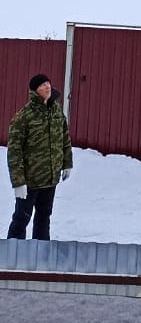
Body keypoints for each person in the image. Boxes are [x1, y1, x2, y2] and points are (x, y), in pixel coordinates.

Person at [7, 73, 73, 241]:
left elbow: (64, 139)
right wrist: (18, 182)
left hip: (50, 178)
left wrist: (67, 163)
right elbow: (14, 151)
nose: (47, 87)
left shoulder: (56, 111)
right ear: (35, 91)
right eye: (42, 85)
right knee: (21, 219)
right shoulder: (24, 116)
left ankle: (42, 258)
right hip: (30, 180)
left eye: (48, 83)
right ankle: (12, 258)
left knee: (44, 218)